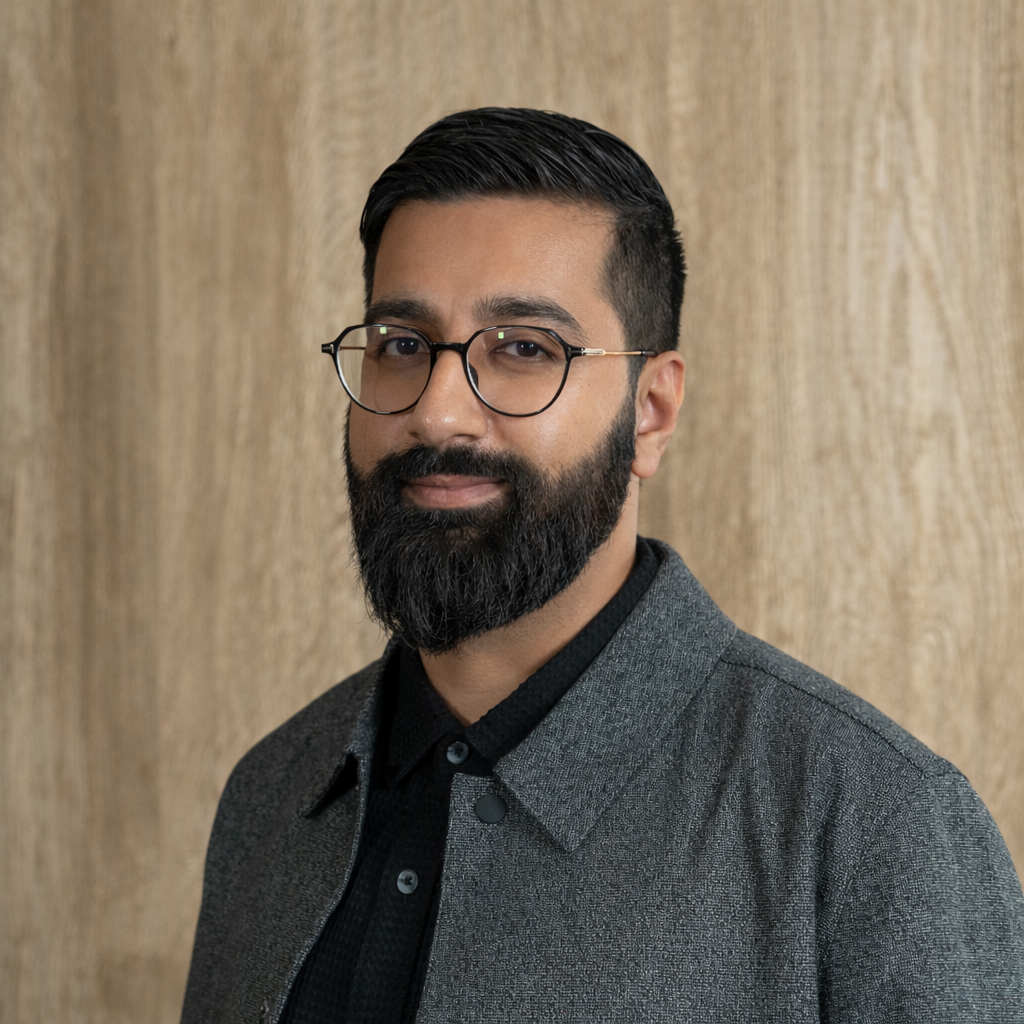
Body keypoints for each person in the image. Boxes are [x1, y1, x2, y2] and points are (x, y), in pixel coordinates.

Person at [180, 108, 1024, 1024]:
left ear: (651, 412)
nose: (439, 414)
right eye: (403, 346)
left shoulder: (873, 826)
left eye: (524, 350)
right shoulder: (269, 798)